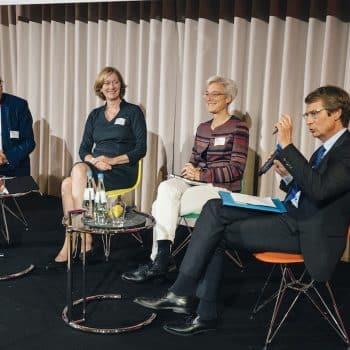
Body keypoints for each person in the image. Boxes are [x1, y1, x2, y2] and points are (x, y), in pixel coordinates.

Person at [134, 85, 350, 336]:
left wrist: (288, 146)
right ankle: (185, 295)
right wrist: (288, 177)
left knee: (215, 232)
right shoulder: (327, 149)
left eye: (314, 114)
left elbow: (321, 190)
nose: (309, 121)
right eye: (307, 115)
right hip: (291, 214)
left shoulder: (346, 150)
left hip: (309, 231)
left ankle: (192, 302)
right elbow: (309, 187)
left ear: (336, 113)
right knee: (215, 207)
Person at [122, 76, 249, 283]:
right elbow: (195, 160)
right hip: (196, 182)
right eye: (206, 93)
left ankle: (159, 260)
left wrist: (202, 175)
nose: (208, 98)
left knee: (159, 206)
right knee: (166, 187)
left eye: (214, 93)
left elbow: (236, 169)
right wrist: (190, 170)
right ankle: (163, 258)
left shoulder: (238, 127)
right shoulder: (203, 127)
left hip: (222, 187)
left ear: (228, 98)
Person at [50, 67, 147, 266]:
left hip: (122, 170)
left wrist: (110, 161)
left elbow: (141, 149)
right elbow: (84, 148)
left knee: (75, 174)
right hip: (96, 166)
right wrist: (95, 161)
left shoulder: (133, 112)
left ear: (121, 85)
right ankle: (81, 239)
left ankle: (79, 234)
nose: (111, 87)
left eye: (115, 82)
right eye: (107, 83)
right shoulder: (95, 115)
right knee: (68, 183)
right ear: (100, 88)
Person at [0, 77, 35, 177]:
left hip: (14, 168)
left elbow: (29, 142)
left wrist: (6, 156)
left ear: (1, 87)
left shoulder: (18, 106)